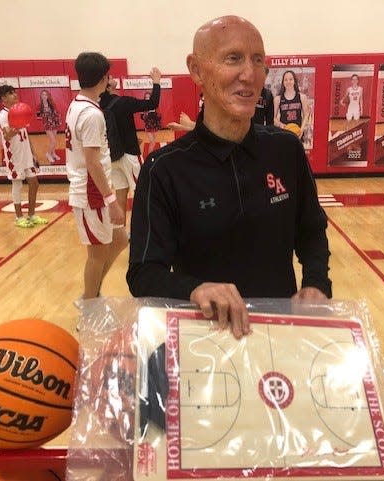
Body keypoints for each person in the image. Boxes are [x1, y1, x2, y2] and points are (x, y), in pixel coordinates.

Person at [127, 15, 332, 339]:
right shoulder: (163, 170)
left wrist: (316, 283)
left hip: (280, 336)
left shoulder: (286, 150)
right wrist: (194, 289)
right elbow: (143, 274)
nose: (249, 75)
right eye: (233, 59)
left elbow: (311, 231)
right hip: (204, 344)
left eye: (258, 60)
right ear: (196, 69)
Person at [66, 52, 126, 304]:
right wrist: (111, 200)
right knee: (96, 255)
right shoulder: (92, 115)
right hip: (92, 194)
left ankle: (92, 292)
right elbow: (92, 162)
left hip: (94, 189)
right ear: (104, 78)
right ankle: (89, 306)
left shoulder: (77, 104)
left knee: (121, 239)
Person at [99, 66, 162, 235]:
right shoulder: (122, 102)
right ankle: (144, 233)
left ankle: (120, 233)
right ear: (107, 84)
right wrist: (156, 83)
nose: (113, 78)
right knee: (143, 193)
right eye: (110, 77)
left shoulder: (97, 105)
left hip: (112, 157)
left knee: (120, 193)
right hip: (129, 155)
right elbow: (152, 103)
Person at [0, 85, 48, 228]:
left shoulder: (19, 110)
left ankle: (31, 215)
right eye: (10, 93)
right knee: (17, 184)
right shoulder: (4, 114)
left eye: (14, 92)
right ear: (3, 98)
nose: (15, 95)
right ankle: (19, 217)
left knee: (34, 183)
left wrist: (33, 152)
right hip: (14, 156)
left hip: (26, 154)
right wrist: (17, 126)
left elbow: (26, 134)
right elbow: (7, 135)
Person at [273, 69, 310, 138]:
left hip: (298, 132)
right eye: (285, 80)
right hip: (284, 132)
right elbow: (273, 117)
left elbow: (306, 114)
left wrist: (301, 129)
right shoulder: (278, 99)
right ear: (283, 82)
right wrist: (281, 125)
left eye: (290, 79)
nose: (288, 82)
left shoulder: (302, 97)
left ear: (294, 81)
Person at [36, 89, 62, 164]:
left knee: (53, 141)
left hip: (54, 123)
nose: (44, 96)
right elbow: (38, 116)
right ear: (41, 96)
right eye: (43, 95)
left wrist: (57, 120)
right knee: (53, 141)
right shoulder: (39, 106)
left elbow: (57, 112)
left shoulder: (52, 104)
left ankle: (53, 154)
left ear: (48, 96)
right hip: (47, 124)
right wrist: (44, 116)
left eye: (45, 95)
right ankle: (48, 154)